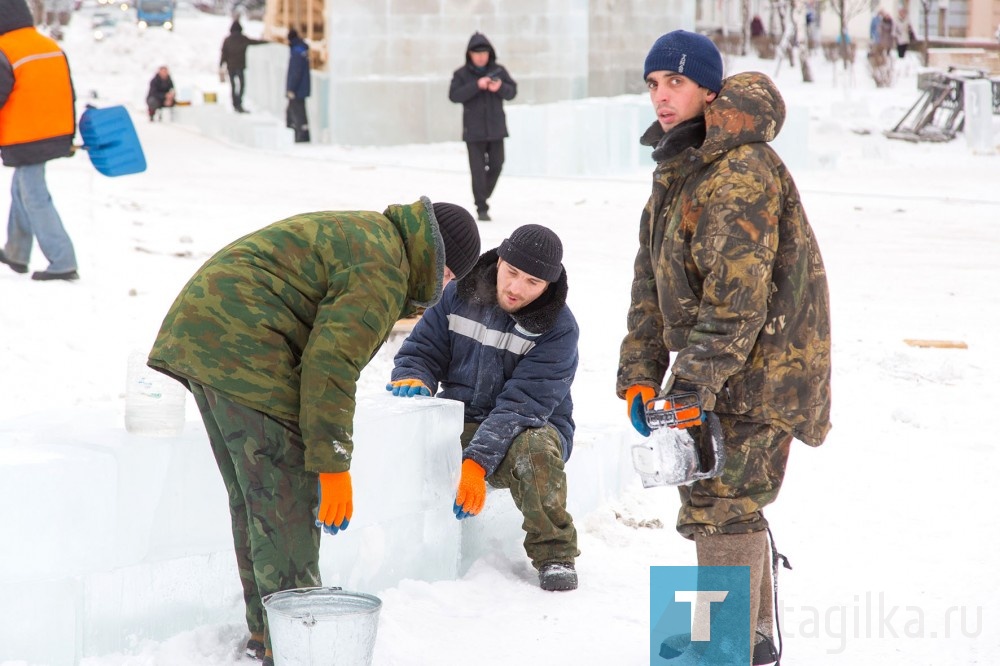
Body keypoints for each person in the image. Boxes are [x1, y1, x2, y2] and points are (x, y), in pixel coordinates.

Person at [147, 198, 481, 666]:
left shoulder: (376, 240)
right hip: (242, 341)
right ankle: (299, 643)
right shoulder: (384, 268)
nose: (442, 289)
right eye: (449, 278)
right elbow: (330, 367)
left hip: (209, 332)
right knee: (285, 497)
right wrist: (332, 466)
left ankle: (269, 636)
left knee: (258, 499)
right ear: (441, 262)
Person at [617, 31, 831, 665]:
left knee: (720, 503)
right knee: (725, 499)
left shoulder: (739, 170)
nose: (661, 95)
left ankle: (723, 644)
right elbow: (649, 284)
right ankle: (750, 637)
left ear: (710, 91)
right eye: (653, 83)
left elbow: (737, 303)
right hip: (725, 368)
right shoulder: (680, 169)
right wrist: (639, 373)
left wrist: (686, 390)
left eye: (676, 82)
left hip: (765, 368)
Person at [388, 224, 580, 592]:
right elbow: (422, 350)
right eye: (512, 273)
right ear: (500, 260)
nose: (515, 288)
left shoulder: (558, 330)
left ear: (548, 287)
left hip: (530, 427)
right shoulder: (458, 295)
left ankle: (555, 553)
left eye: (532, 282)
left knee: (534, 452)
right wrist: (415, 376)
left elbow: (522, 407)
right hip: (462, 417)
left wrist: (476, 464)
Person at [0, 0, 79, 282]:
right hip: (53, 131)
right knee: (21, 190)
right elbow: (69, 91)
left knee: (34, 197)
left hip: (26, 135)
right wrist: (68, 135)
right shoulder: (47, 45)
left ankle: (63, 260)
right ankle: (16, 252)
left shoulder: (5, 49)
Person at [448, 32, 517, 222]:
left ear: (490, 53)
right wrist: (477, 85)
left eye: (484, 53)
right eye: (476, 53)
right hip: (474, 132)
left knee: (497, 164)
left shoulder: (499, 71)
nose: (481, 56)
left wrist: (500, 87)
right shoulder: (461, 74)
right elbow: (454, 96)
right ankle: (481, 207)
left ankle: (482, 195)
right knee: (477, 170)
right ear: (469, 54)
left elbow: (512, 93)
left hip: (496, 130)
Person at [219, 19, 266, 113]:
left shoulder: (227, 40)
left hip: (231, 67)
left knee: (233, 86)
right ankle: (239, 104)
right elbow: (255, 42)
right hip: (240, 66)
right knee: (241, 85)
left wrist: (221, 65)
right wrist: (267, 41)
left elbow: (223, 53)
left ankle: (235, 104)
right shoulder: (243, 38)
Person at [285, 29, 310, 143]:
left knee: (295, 113)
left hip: (297, 89)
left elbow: (295, 72)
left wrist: (290, 88)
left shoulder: (296, 52)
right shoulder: (302, 50)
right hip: (302, 88)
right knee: (299, 112)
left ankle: (300, 135)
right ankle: (302, 133)